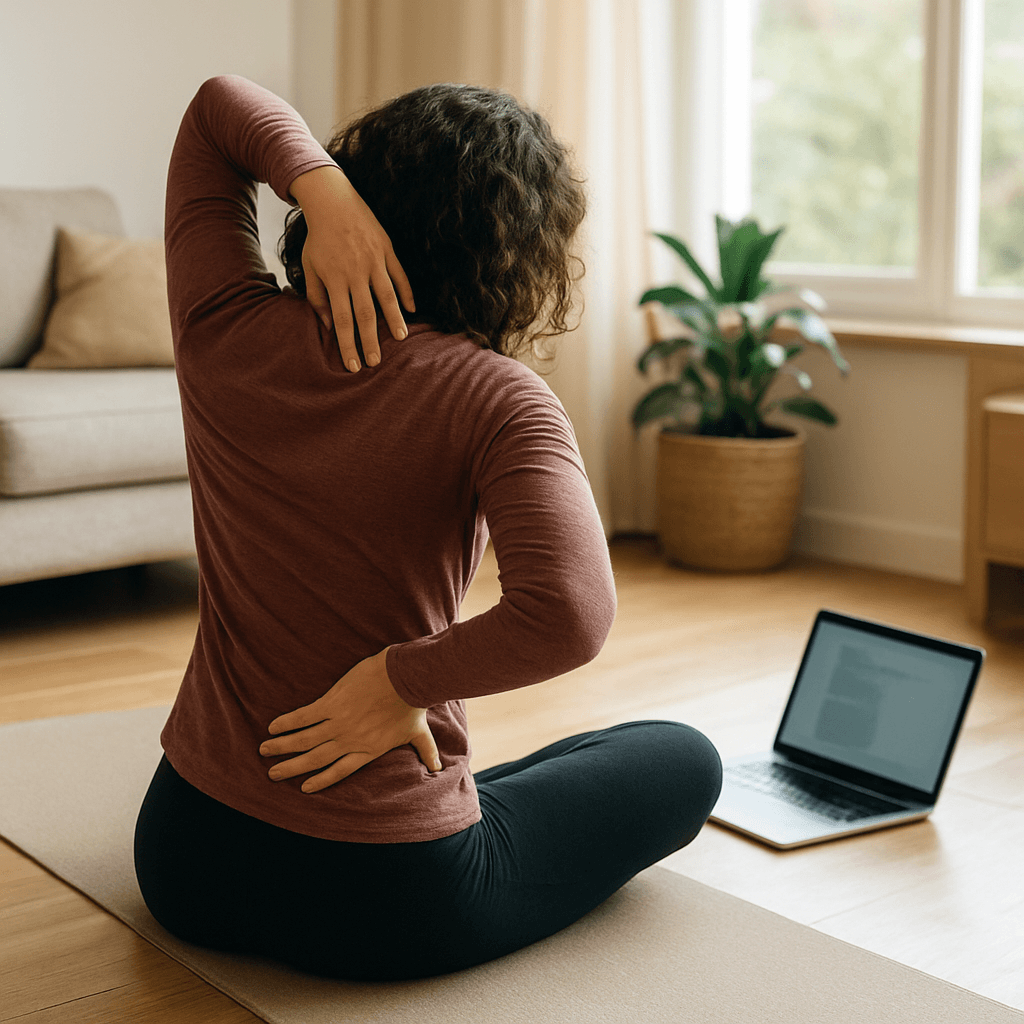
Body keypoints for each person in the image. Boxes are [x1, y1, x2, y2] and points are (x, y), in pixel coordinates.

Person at [134, 74, 722, 982]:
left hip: (186, 856)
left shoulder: (224, 327)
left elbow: (215, 107)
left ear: (362, 199)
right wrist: (396, 679)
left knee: (565, 765)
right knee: (683, 757)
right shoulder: (498, 398)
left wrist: (317, 187)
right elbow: (570, 615)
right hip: (389, 898)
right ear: (521, 253)